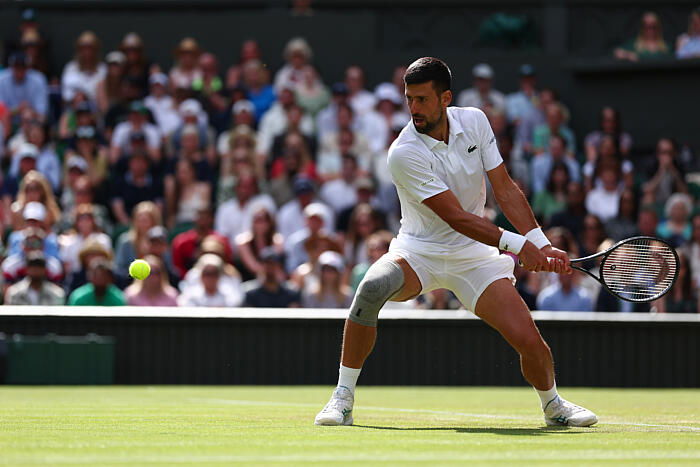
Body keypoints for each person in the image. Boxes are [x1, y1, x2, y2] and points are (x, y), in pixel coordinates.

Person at [315, 57, 596, 428]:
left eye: (422, 100)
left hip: (474, 257)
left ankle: (553, 405)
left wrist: (538, 242)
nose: (413, 108)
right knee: (372, 287)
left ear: (445, 98)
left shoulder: (475, 121)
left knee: (530, 341)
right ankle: (343, 397)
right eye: (408, 99)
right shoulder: (403, 152)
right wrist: (516, 246)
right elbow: (457, 218)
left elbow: (505, 188)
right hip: (418, 252)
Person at [177, 253, 243, 307]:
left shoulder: (229, 294)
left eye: (214, 273)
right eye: (206, 273)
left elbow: (235, 303)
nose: (210, 278)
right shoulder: (191, 295)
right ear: (200, 275)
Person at [0, 52, 48, 123]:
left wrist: (30, 111)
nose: (20, 70)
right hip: (7, 123)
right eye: (16, 67)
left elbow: (42, 113)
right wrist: (18, 109)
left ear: (28, 67)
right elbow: (1, 112)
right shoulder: (2, 79)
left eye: (23, 67)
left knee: (28, 115)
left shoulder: (38, 79)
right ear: (11, 67)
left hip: (30, 122)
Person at [61, 31, 106, 103]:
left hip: (96, 110)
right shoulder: (70, 68)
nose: (87, 52)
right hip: (74, 109)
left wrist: (86, 96)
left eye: (90, 48)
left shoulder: (103, 69)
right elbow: (66, 95)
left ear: (96, 50)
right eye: (83, 48)